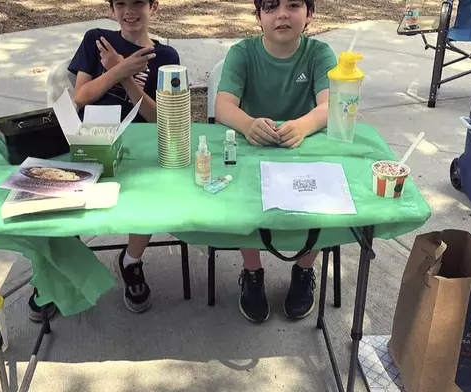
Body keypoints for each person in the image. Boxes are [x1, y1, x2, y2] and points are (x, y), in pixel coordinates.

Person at [28, 0, 180, 321]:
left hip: (138, 148)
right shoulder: (97, 39)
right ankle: (61, 272)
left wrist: (124, 74)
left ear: (154, 6)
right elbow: (81, 96)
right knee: (56, 201)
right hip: (89, 141)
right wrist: (118, 68)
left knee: (151, 194)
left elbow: (160, 119)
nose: (129, 11)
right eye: (121, 3)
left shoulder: (166, 57)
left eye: (138, 2)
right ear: (111, 8)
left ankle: (132, 260)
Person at [214, 0, 337, 323]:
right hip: (253, 149)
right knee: (242, 200)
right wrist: (247, 124)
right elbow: (223, 106)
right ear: (258, 17)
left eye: (293, 5)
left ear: (309, 15)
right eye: (270, 6)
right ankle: (252, 272)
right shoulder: (242, 53)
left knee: (325, 197)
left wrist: (303, 125)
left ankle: (303, 270)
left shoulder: (320, 53)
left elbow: (330, 106)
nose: (282, 14)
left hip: (304, 150)